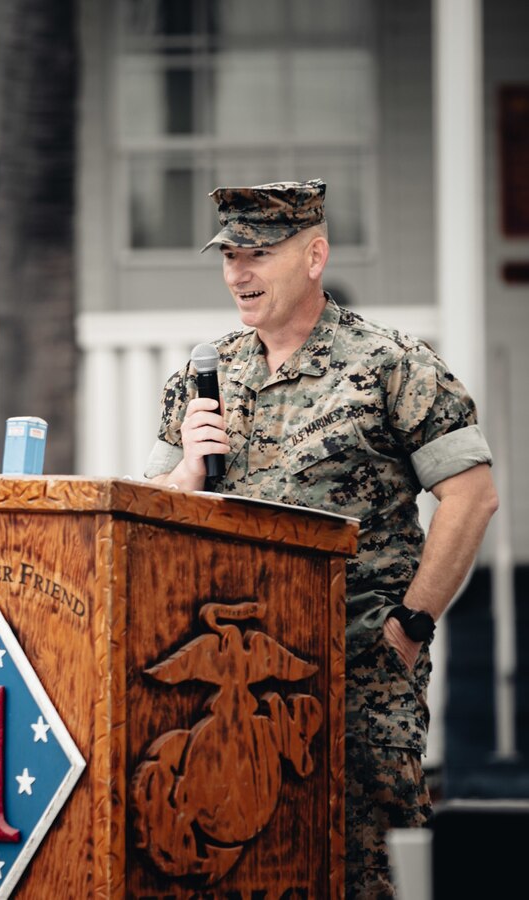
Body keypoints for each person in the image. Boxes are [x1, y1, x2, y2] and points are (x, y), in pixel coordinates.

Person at [144, 180, 499, 898]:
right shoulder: (203, 375)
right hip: (236, 694)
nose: (238, 273)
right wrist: (184, 471)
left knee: (359, 872)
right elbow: (148, 518)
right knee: (245, 871)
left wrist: (412, 624)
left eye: (258, 254)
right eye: (229, 255)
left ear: (313, 255)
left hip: (358, 673)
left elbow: (472, 494)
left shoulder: (389, 364)